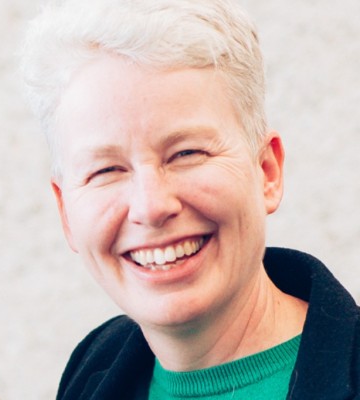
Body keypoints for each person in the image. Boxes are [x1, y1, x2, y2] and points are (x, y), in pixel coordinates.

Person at [20, 0, 360, 399]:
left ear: (266, 171)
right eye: (106, 170)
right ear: (65, 213)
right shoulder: (92, 371)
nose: (151, 207)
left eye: (186, 154)